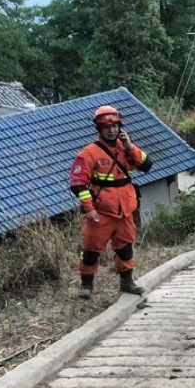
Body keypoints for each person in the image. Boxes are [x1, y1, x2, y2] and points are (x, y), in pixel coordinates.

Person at [69, 105, 153, 299]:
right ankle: (87, 285)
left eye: (115, 125)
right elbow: (77, 183)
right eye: (106, 126)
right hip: (101, 212)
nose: (111, 129)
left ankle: (127, 283)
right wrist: (89, 208)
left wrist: (131, 147)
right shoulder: (89, 153)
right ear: (99, 129)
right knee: (91, 250)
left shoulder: (127, 148)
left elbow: (147, 165)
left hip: (125, 210)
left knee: (125, 248)